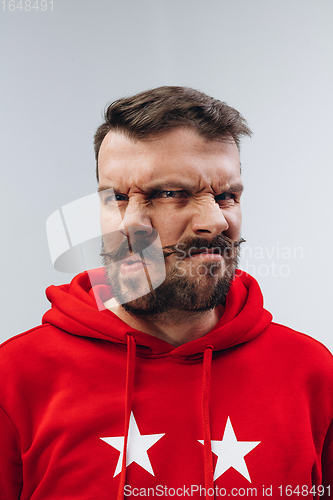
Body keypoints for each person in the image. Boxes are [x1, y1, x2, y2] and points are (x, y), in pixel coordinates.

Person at [0, 86, 332, 500]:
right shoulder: (13, 380)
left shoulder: (312, 374)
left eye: (227, 196)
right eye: (170, 193)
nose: (216, 222)